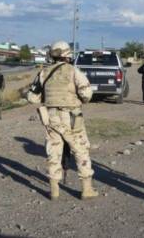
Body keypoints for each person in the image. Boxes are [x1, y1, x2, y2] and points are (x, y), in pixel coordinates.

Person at [27, 41, 98, 200]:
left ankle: (54, 191)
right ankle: (87, 190)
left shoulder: (44, 73)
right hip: (72, 117)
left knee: (53, 152)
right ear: (68, 55)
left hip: (50, 117)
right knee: (80, 150)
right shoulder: (74, 71)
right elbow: (87, 94)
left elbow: (31, 97)